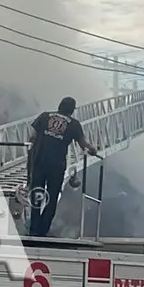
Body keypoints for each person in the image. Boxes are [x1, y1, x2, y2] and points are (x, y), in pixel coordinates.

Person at [26, 97, 98, 237]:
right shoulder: (74, 124)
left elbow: (32, 137)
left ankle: (33, 230)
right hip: (57, 165)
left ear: (59, 106)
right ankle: (43, 230)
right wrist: (93, 149)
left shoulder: (45, 116)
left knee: (36, 195)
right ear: (72, 110)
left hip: (39, 161)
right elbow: (83, 145)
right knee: (52, 199)